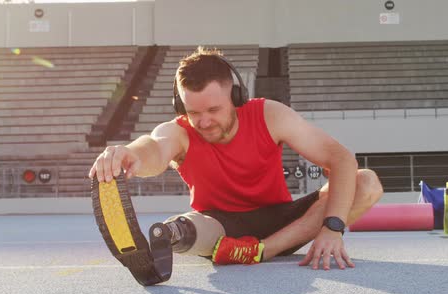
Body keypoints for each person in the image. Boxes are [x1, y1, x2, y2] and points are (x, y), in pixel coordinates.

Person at [88, 47, 383, 270]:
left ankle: (261, 251)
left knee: (366, 183)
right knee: (189, 226)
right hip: (220, 229)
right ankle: (171, 234)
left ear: (236, 96)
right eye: (193, 113)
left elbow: (341, 158)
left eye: (213, 110)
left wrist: (333, 228)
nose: (203, 122)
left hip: (283, 222)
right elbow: (153, 146)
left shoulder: (269, 115)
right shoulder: (179, 132)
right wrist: (131, 154)